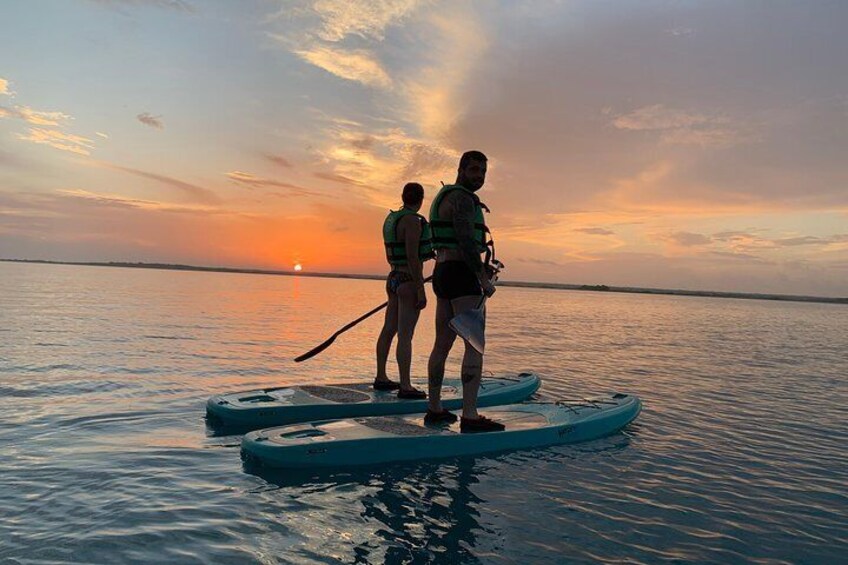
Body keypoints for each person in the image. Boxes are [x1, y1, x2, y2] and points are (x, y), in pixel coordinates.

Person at [426, 150, 503, 432]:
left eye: (482, 172)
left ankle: (435, 409)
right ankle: (469, 415)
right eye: (474, 170)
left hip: (443, 274)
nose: (479, 177)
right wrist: (482, 277)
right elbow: (466, 240)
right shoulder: (461, 199)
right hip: (461, 276)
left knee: (441, 344)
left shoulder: (444, 197)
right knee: (474, 346)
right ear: (461, 169)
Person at [374, 182, 434, 398]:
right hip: (408, 280)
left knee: (389, 329)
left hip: (392, 278)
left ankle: (381, 376)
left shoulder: (393, 219)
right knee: (405, 335)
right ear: (421, 199)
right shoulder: (412, 221)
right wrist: (421, 289)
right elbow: (412, 256)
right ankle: (406, 386)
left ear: (403, 196)